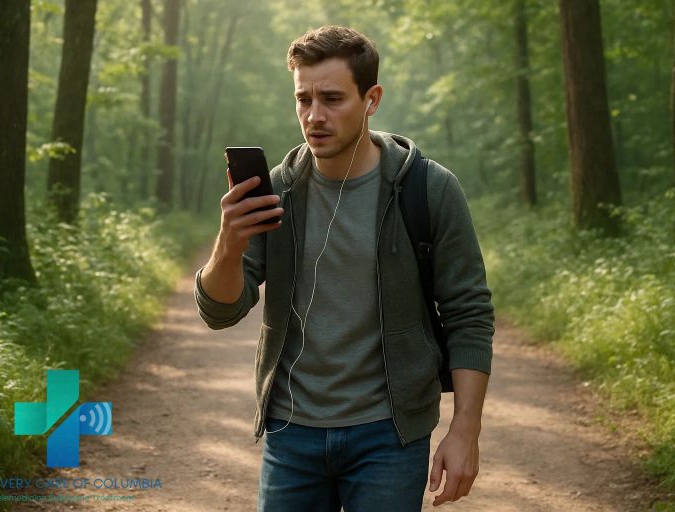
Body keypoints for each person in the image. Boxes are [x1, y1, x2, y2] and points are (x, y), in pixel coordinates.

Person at [194, 25, 494, 511]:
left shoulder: (429, 189)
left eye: (332, 99)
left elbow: (469, 314)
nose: (314, 116)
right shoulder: (276, 193)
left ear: (371, 99)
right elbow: (220, 312)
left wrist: (466, 430)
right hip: (291, 434)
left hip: (389, 437)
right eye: (303, 99)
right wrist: (228, 243)